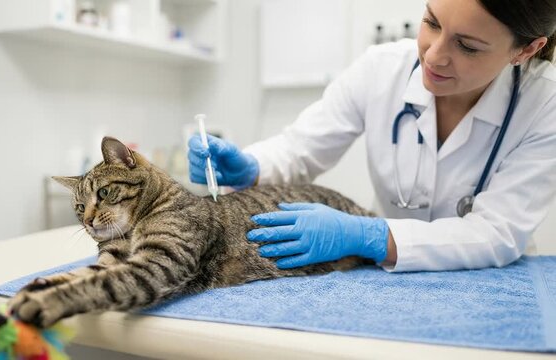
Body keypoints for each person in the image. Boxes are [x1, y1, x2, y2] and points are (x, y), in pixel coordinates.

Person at [188, 0, 556, 272]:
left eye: (467, 46)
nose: (434, 55)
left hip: (489, 282)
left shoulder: (545, 104)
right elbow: (301, 148)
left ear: (526, 49)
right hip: (385, 279)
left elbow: (496, 233)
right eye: (431, 22)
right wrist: (251, 166)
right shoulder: (380, 68)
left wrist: (371, 236)